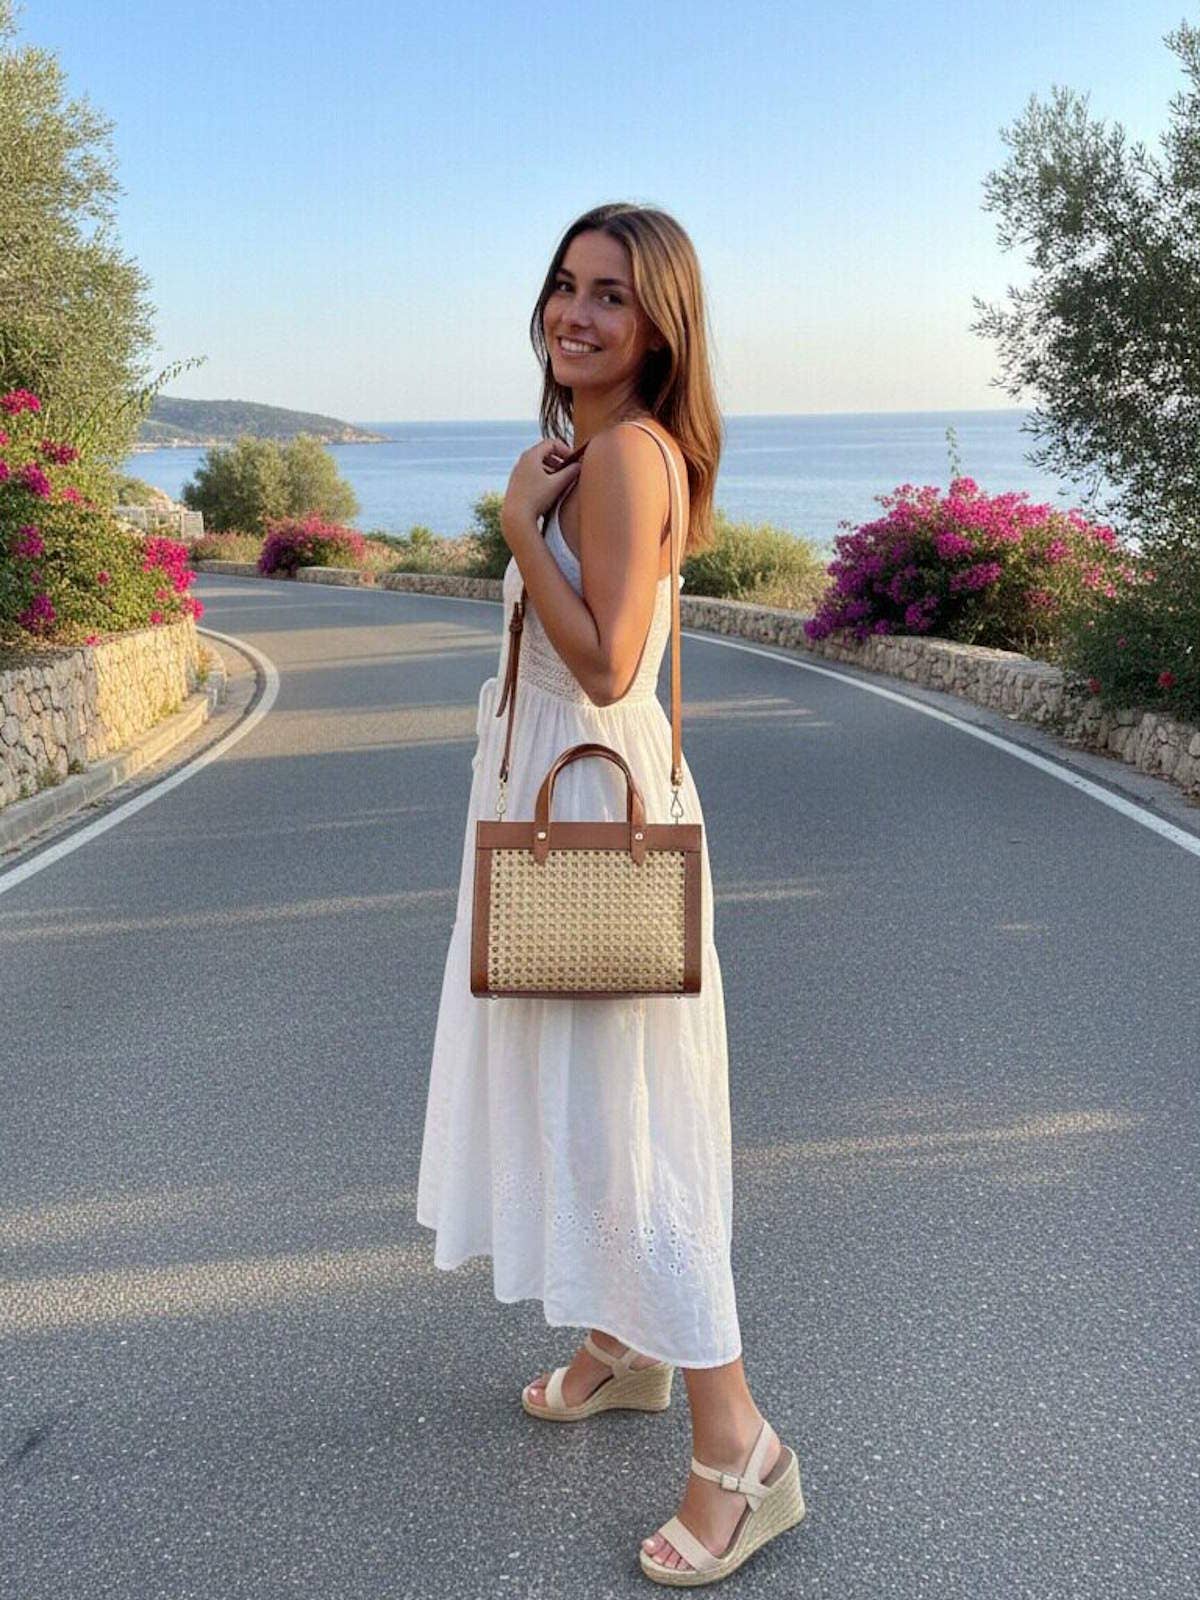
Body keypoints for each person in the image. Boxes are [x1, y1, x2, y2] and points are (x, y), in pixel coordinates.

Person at [416, 203, 805, 1585]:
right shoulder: (607, 450)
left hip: (592, 826)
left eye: (611, 299)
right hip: (563, 812)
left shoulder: (625, 458)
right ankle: (629, 1341)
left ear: (659, 329)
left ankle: (739, 1447)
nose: (574, 314)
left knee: (640, 1136)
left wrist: (523, 526)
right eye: (564, 287)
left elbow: (606, 665)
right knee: (597, 1121)